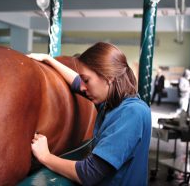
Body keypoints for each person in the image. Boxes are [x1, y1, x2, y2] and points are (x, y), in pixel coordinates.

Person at [27, 42, 151, 186]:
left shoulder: (132, 113)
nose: (82, 86)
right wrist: (49, 59)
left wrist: (45, 157)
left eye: (86, 80)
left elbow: (89, 173)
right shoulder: (112, 104)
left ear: (108, 77)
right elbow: (76, 82)